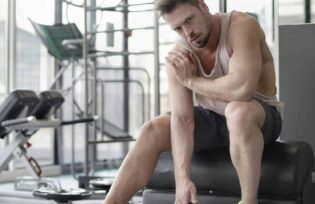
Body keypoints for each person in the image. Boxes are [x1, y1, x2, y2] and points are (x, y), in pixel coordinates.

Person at [103, 0, 282, 204]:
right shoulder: (180, 57)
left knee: (238, 111)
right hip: (214, 120)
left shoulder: (241, 26)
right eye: (178, 28)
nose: (188, 33)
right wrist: (182, 180)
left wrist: (191, 81)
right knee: (152, 129)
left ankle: (249, 201)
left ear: (203, 6)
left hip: (258, 117)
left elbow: (242, 88)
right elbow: (182, 118)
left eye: (189, 20)